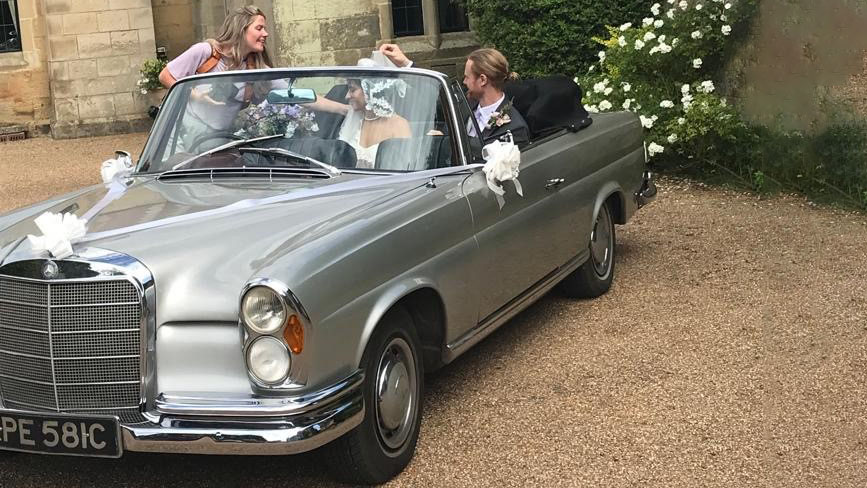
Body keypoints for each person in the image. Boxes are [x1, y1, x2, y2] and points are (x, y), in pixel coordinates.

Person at [158, 6, 280, 152]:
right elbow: (165, 76)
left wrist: (312, 101)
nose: (265, 34)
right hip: (180, 128)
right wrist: (195, 95)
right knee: (172, 171)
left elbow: (294, 93)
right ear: (241, 29)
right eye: (259, 28)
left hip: (214, 139)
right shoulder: (206, 52)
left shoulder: (257, 69)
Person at [380, 44, 530, 146]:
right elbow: (438, 97)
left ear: (482, 80)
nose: (464, 82)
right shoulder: (466, 104)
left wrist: (447, 142)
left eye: (467, 77)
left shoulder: (515, 129)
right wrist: (405, 63)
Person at [314, 58, 411, 168]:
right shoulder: (353, 117)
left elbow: (404, 168)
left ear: (369, 90)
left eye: (352, 89)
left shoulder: (399, 125)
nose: (347, 96)